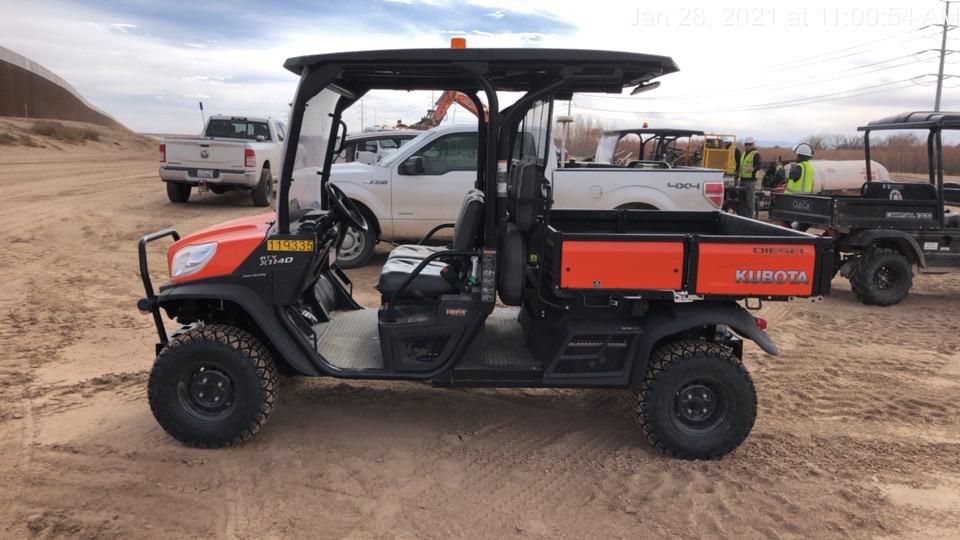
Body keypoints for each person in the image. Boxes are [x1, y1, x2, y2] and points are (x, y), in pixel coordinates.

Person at [733, 137, 762, 218]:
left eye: (749, 144)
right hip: (742, 179)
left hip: (750, 181)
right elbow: (740, 166)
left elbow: (760, 165)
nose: (747, 146)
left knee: (749, 200)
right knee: (742, 200)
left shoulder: (756, 154)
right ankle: (742, 217)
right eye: (746, 144)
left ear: (752, 144)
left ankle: (749, 217)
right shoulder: (743, 154)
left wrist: (753, 169)